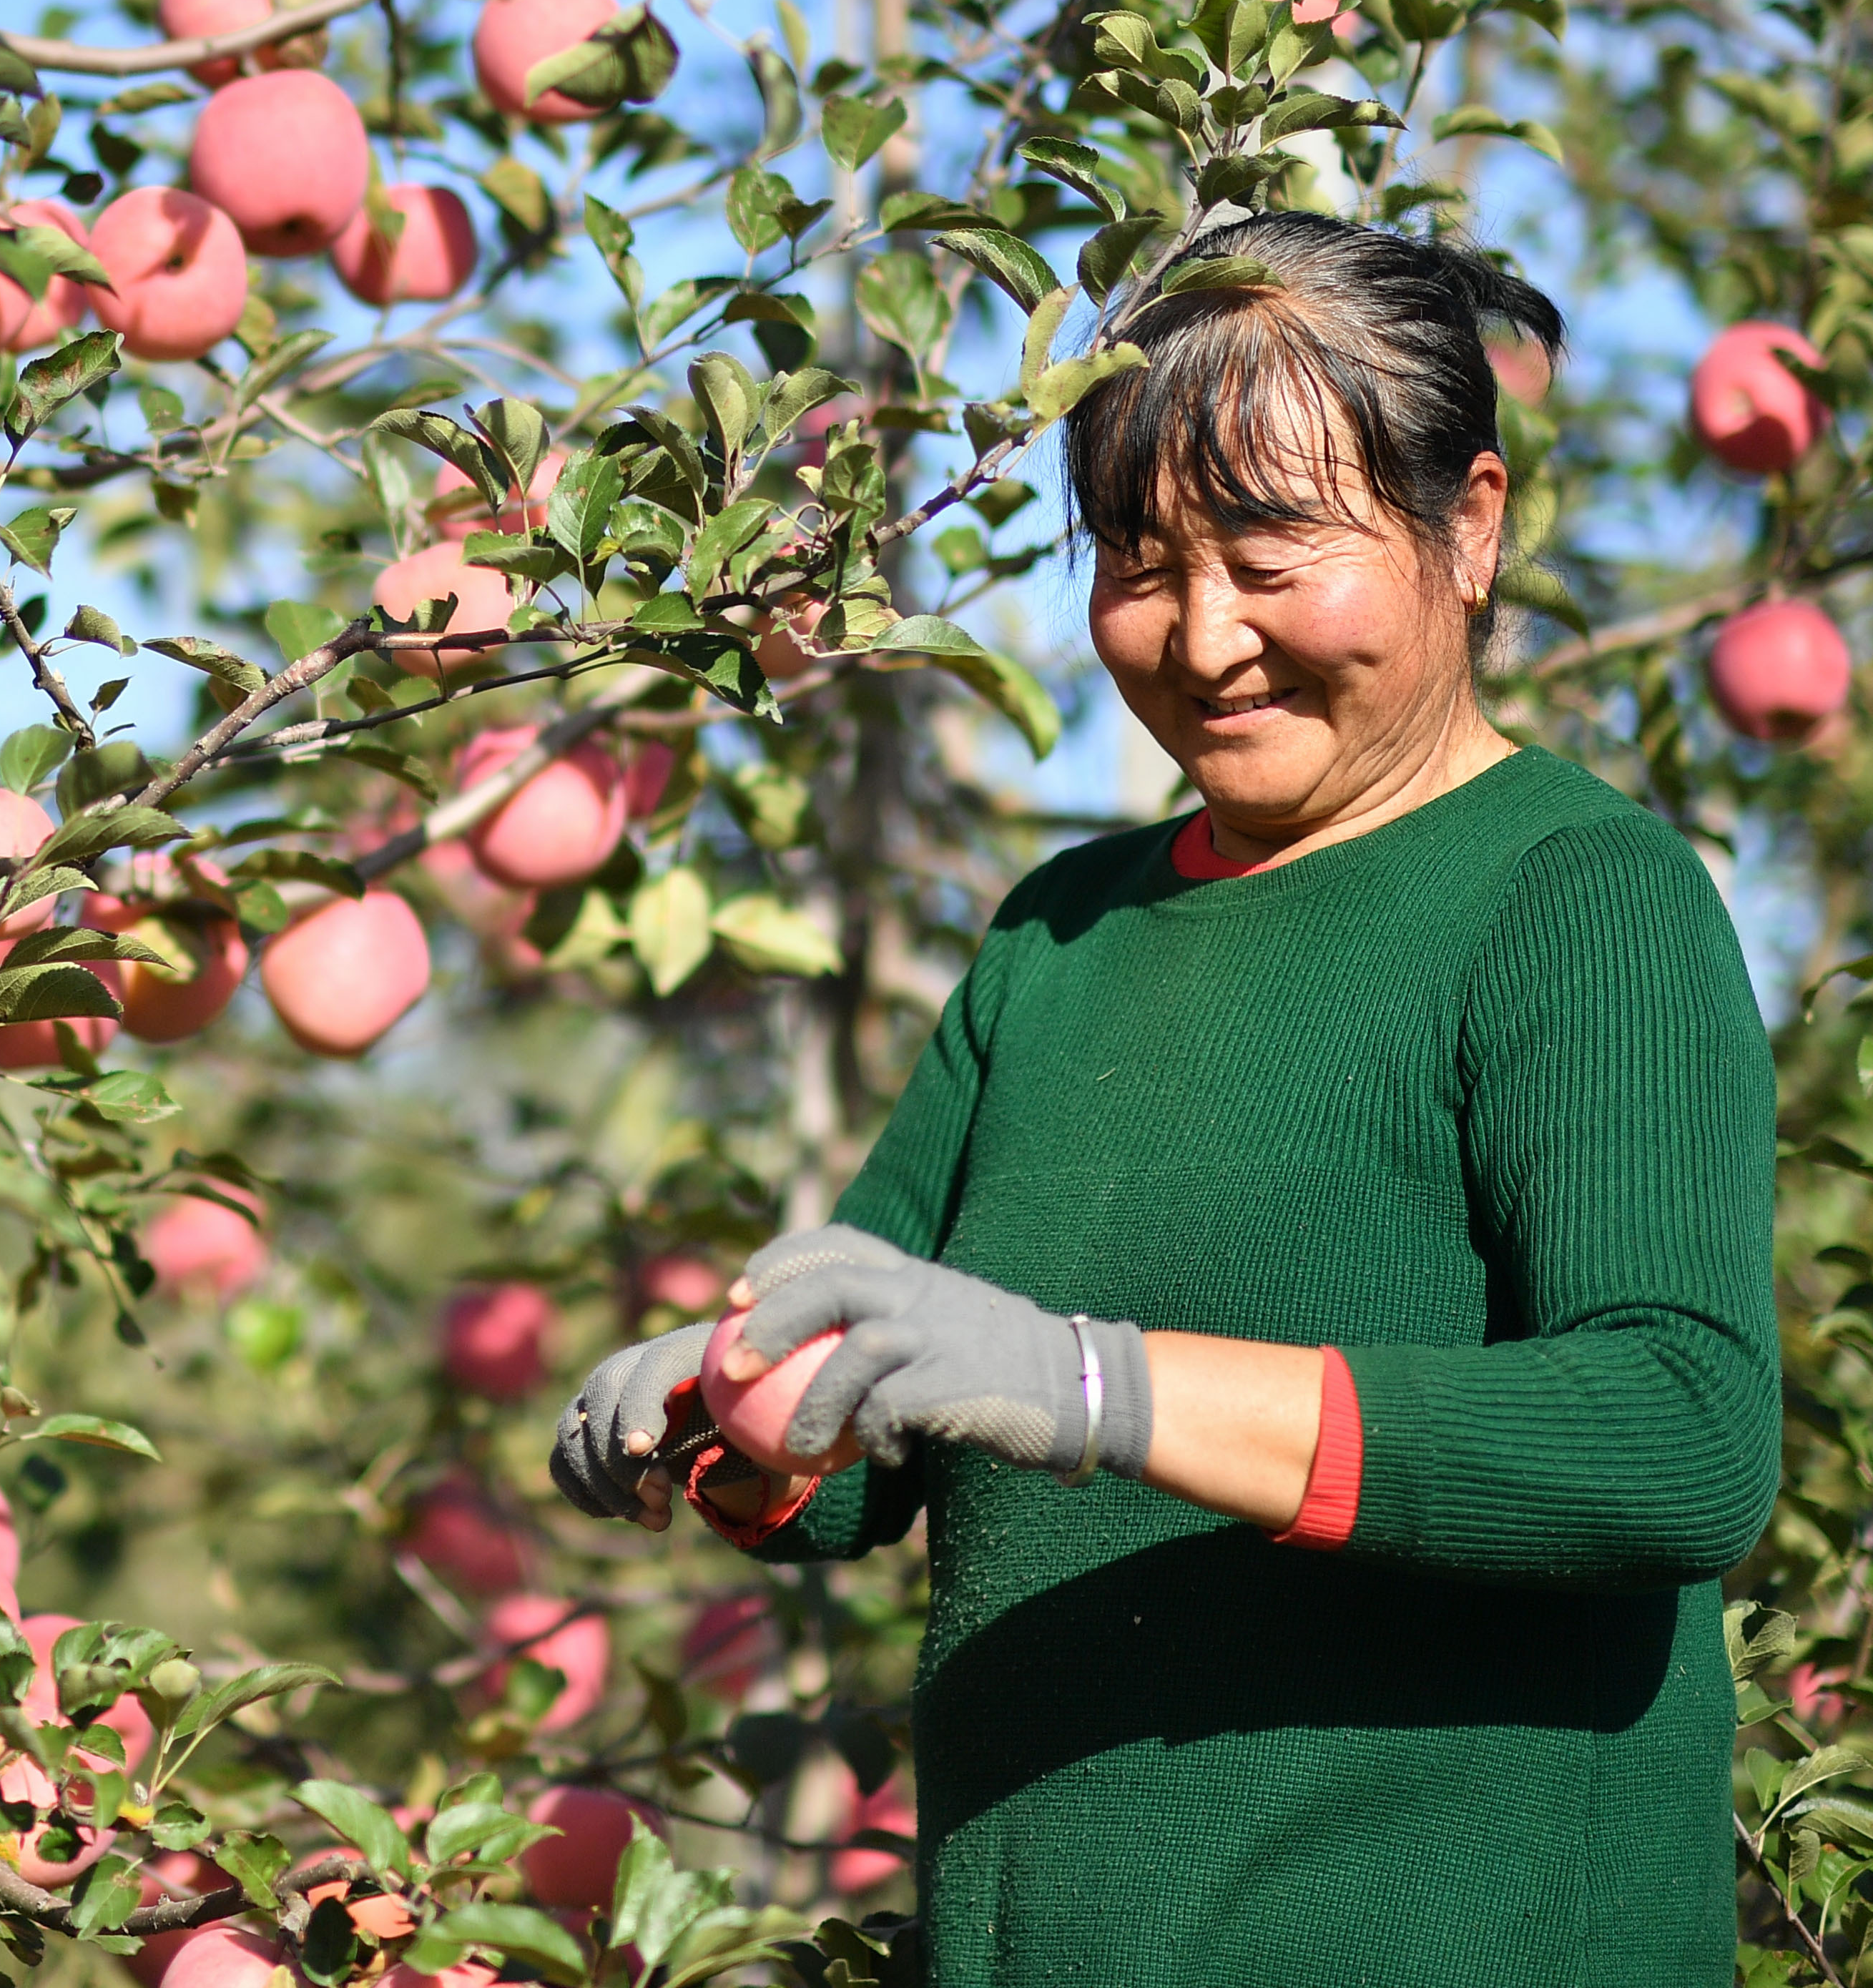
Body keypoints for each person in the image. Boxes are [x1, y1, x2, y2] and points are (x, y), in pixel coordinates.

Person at [550, 216, 1780, 1987]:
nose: (1202, 639)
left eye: (1275, 552)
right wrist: (719, 1406)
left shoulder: (1572, 894)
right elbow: (862, 1446)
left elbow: (1678, 1434)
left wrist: (1090, 1384)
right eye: (1140, 558)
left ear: (1473, 522)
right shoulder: (1061, 934)